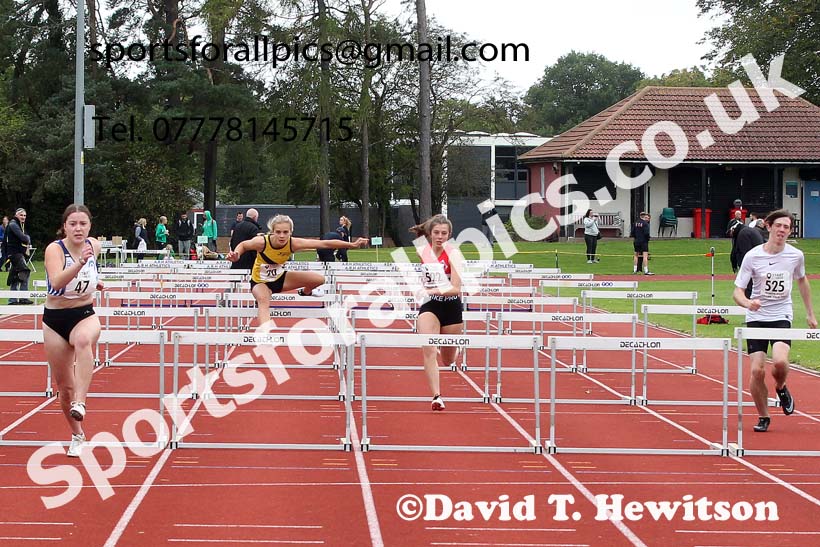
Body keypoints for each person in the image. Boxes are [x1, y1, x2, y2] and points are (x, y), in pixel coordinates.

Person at [733, 209, 817, 433]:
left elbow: (802, 281)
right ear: (768, 227)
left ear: (790, 231)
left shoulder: (796, 255)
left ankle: (781, 386)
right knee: (757, 371)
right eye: (778, 225)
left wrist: (810, 313)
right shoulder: (753, 256)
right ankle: (763, 416)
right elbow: (737, 291)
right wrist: (747, 303)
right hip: (756, 317)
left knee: (780, 362)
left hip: (781, 315)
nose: (782, 230)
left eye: (786, 227)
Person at [226, 214, 367, 327]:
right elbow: (244, 245)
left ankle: (306, 292)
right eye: (278, 232)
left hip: (280, 278)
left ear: (291, 232)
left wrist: (352, 245)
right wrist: (236, 254)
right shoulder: (262, 242)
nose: (282, 236)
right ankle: (265, 335)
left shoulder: (293, 243)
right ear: (272, 231)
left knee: (320, 279)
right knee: (263, 301)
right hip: (260, 282)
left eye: (285, 232)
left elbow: (324, 243)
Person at [43, 204, 104, 457]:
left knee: (82, 340)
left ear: (89, 226)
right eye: (73, 224)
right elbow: (57, 281)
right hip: (55, 320)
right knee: (64, 388)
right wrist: (80, 263)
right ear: (64, 227)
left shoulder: (95, 246)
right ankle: (77, 434)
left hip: (84, 314)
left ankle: (81, 401)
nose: (78, 228)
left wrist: (95, 281)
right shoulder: (55, 249)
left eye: (83, 224)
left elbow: (89, 274)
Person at [410, 214, 465, 411]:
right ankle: (437, 396)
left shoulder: (454, 254)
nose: (440, 237)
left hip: (451, 306)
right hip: (430, 306)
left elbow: (456, 288)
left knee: (448, 360)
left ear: (449, 235)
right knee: (429, 349)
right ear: (430, 233)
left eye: (444, 233)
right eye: (436, 233)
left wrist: (433, 290)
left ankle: (455, 350)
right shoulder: (422, 251)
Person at [6, 208, 33, 304]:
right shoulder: (13, 224)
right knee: (25, 272)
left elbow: (24, 237)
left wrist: (26, 239)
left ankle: (12, 300)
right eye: (21, 215)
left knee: (15, 275)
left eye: (25, 215)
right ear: (16, 215)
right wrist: (27, 238)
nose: (23, 217)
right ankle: (23, 298)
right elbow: (23, 237)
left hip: (16, 253)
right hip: (15, 254)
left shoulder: (18, 224)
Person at [730, 222, 765, 298]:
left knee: (748, 286)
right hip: (760, 262)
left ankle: (748, 301)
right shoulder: (751, 231)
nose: (731, 234)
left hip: (753, 265)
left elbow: (745, 253)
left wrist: (742, 266)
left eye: (731, 231)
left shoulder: (743, 234)